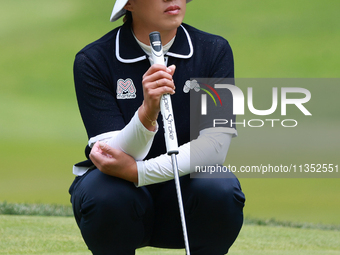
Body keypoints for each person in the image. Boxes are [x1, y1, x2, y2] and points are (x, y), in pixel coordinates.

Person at [69, 0, 245, 254]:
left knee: (219, 188)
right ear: (129, 4)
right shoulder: (94, 59)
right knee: (105, 193)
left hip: (186, 200)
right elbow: (111, 156)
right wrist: (147, 113)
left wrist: (138, 173)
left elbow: (215, 148)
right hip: (121, 203)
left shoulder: (214, 50)